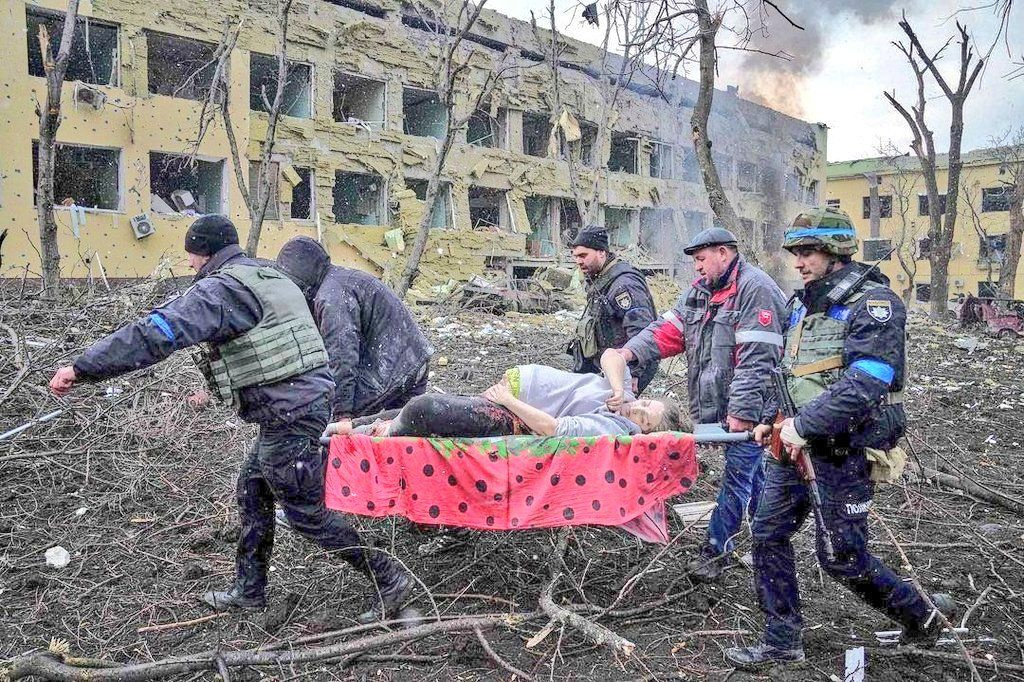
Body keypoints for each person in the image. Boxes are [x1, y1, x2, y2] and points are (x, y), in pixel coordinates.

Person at [47, 215, 412, 623]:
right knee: (253, 489)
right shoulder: (266, 274)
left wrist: (83, 369)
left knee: (304, 511)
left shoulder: (221, 290)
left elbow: (157, 333)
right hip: (298, 403)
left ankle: (389, 577)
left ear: (204, 254)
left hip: (289, 410)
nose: (188, 265)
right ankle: (249, 592)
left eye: (191, 256)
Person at [725, 208, 956, 668]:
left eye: (807, 252)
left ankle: (923, 618)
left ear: (835, 253)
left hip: (842, 448)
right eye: (796, 252)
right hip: (792, 445)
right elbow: (792, 375)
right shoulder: (803, 304)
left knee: (842, 557)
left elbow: (869, 380)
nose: (799, 261)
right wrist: (772, 420)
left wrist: (803, 426)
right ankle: (781, 642)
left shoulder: (875, 304)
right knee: (768, 533)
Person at [611, 226, 787, 581]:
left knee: (738, 476)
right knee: (751, 475)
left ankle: (715, 551)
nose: (696, 267)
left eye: (702, 259)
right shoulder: (698, 294)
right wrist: (628, 354)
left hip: (752, 408)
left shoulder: (756, 290)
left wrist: (742, 414)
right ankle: (770, 537)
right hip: (717, 406)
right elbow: (665, 331)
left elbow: (758, 360)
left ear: (724, 253)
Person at [330, 351, 682, 439]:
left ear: (642, 432)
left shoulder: (613, 428)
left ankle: (368, 434)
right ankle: (340, 427)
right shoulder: (623, 393)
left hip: (514, 416)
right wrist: (620, 389)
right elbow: (611, 356)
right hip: (509, 394)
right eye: (646, 404)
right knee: (416, 408)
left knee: (424, 409)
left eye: (643, 419)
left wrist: (508, 400)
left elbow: (551, 428)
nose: (637, 410)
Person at [275, 236, 432, 423]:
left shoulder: (331, 297)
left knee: (341, 430)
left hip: (393, 369)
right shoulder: (338, 281)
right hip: (411, 360)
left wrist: (342, 414)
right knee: (397, 436)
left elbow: (342, 356)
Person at [567, 226, 659, 393]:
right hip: (607, 364)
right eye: (575, 256)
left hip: (625, 366)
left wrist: (633, 372)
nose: (578, 261)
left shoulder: (624, 285)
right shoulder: (601, 279)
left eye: (583, 255)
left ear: (602, 252)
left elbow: (641, 329)